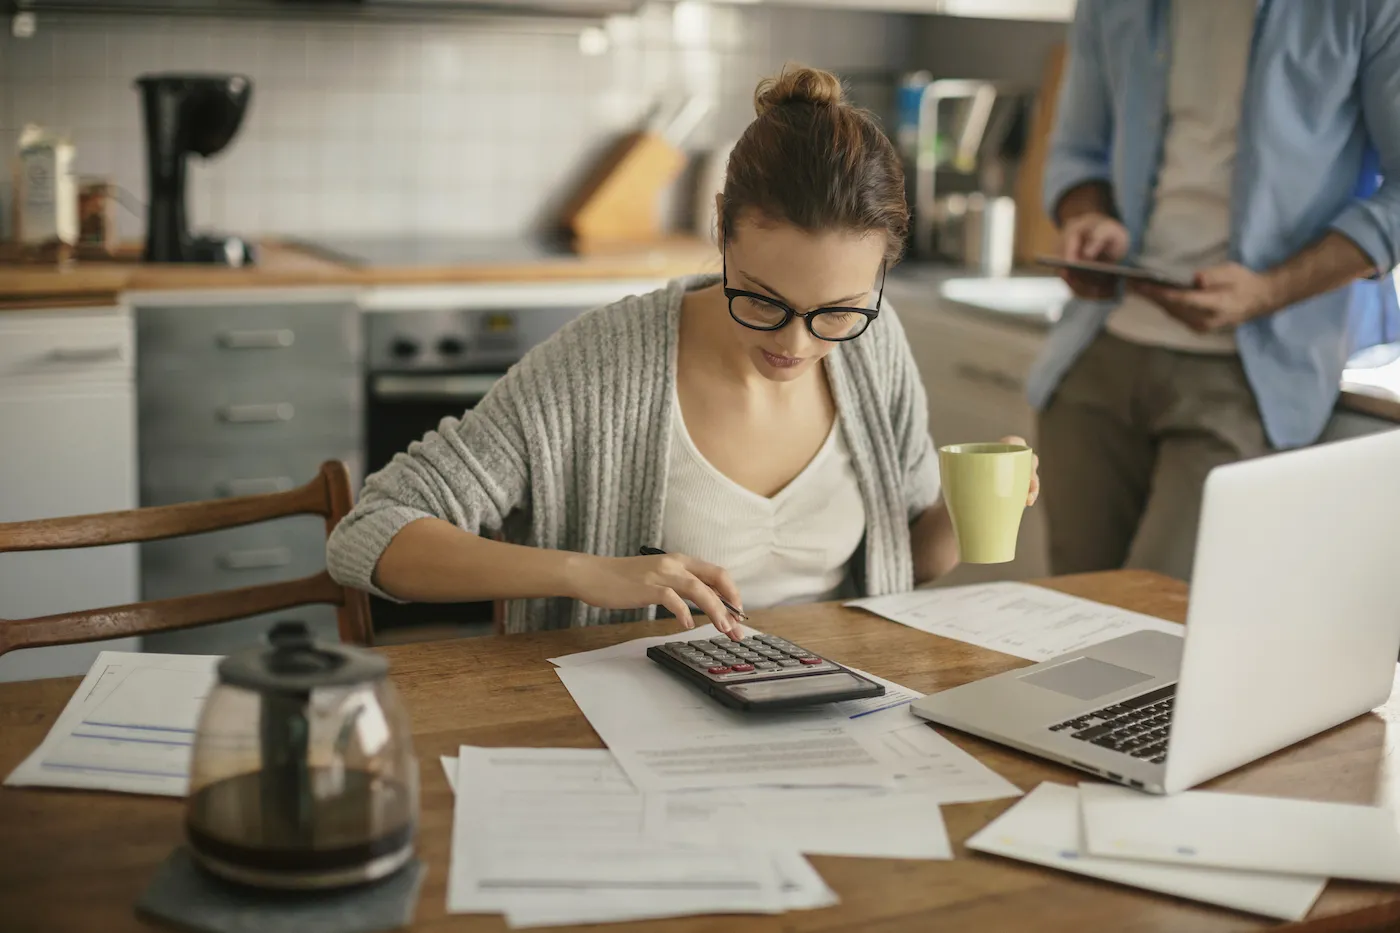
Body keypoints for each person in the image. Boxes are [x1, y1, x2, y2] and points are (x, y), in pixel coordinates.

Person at [327, 65, 1039, 635]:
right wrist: (586, 572)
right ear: (722, 231)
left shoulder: (874, 347)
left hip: (837, 708)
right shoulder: (604, 364)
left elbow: (909, 559)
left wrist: (962, 507)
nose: (797, 342)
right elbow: (370, 534)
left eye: (837, 312)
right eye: (763, 299)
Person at [1031, 0, 1400, 581]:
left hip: (1248, 378)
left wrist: (1268, 291)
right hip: (1095, 356)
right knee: (1070, 627)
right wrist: (1088, 219)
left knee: (1163, 642)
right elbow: (1077, 153)